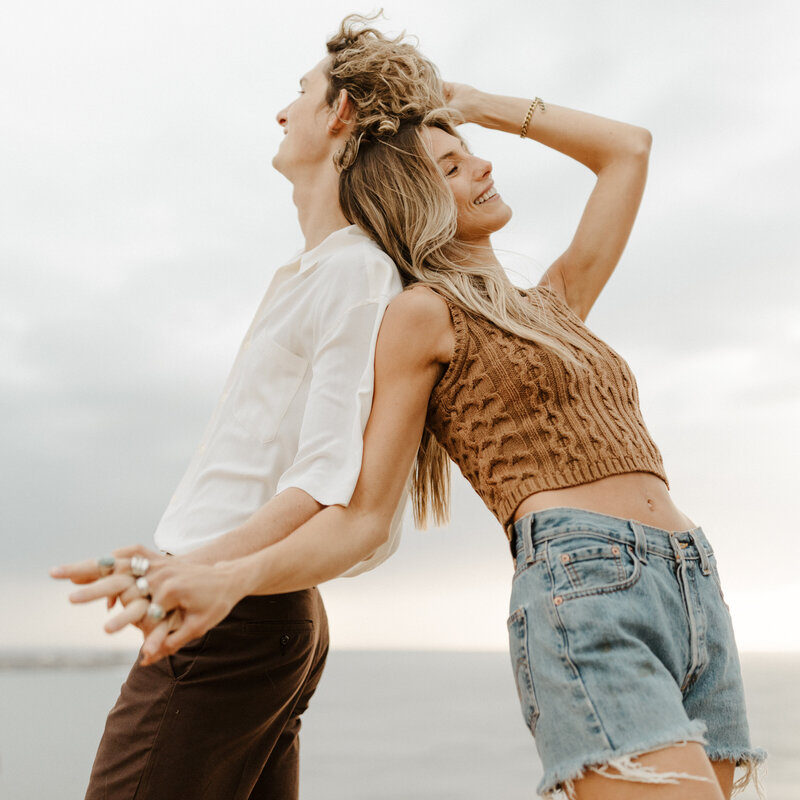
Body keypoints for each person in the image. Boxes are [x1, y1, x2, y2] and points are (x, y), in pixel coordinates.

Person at [56, 78, 765, 800]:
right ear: (414, 203)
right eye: (450, 169)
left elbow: (628, 149)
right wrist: (228, 576)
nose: (482, 169)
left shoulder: (554, 303)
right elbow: (360, 517)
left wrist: (466, 103)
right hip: (584, 587)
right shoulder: (423, 315)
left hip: (691, 580)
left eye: (472, 156)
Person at [50, 16, 446, 800]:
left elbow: (324, 478)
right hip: (233, 605)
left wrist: (195, 566)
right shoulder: (306, 272)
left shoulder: (355, 274)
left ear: (339, 116)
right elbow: (252, 465)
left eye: (300, 93)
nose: (281, 111)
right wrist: (172, 556)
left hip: (232, 619)